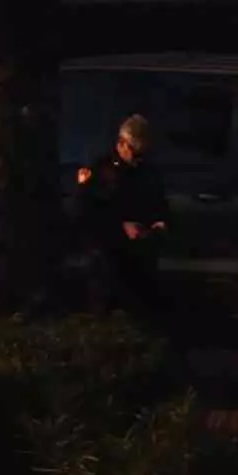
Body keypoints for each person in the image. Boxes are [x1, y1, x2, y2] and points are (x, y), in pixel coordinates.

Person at [84, 111, 177, 334]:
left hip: (141, 260)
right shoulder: (101, 171)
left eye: (143, 154)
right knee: (105, 325)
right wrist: (121, 227)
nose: (138, 160)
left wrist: (160, 223)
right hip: (109, 262)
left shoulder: (148, 172)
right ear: (122, 144)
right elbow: (88, 213)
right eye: (135, 153)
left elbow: (160, 204)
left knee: (143, 322)